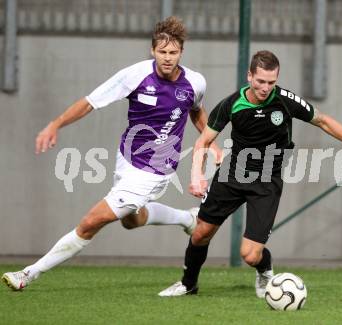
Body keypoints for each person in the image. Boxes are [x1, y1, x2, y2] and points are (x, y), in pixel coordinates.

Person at [2, 16, 221, 291]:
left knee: (92, 221)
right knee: (132, 220)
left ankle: (28, 274)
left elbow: (196, 110)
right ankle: (187, 219)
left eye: (173, 52)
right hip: (126, 159)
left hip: (154, 171)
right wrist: (55, 124)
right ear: (153, 50)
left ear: (181, 52)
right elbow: (90, 102)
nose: (167, 58)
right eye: (162, 52)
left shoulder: (195, 82)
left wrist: (209, 140)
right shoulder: (135, 75)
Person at [158, 50, 342, 298]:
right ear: (250, 76)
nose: (265, 88)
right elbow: (203, 142)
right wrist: (196, 176)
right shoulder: (232, 104)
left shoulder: (284, 101)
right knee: (200, 233)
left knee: (249, 254)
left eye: (271, 82)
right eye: (260, 81)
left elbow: (324, 121)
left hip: (267, 180)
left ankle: (265, 271)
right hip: (233, 173)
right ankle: (188, 285)